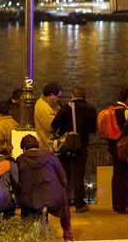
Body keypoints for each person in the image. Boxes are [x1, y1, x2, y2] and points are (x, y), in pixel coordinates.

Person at [17, 134, 73, 242]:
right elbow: (63, 177)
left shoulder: (20, 160)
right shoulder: (50, 156)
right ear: (37, 145)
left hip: (31, 199)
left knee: (26, 206)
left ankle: (25, 234)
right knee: (63, 199)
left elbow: (17, 180)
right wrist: (63, 187)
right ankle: (68, 234)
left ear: (24, 148)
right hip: (52, 197)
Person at [51, 85, 97, 213]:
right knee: (79, 175)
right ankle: (79, 204)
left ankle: (63, 202)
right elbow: (93, 129)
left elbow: (54, 124)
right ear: (84, 96)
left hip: (66, 147)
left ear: (72, 95)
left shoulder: (66, 108)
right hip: (81, 146)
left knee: (64, 175)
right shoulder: (91, 109)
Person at [107, 86, 128, 214]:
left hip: (112, 146)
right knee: (124, 175)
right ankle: (123, 205)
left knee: (116, 175)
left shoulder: (112, 109)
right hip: (123, 147)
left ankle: (116, 204)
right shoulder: (126, 112)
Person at [34, 82, 63, 149]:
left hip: (51, 143)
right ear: (52, 95)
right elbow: (51, 127)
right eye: (58, 96)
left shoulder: (51, 103)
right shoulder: (43, 107)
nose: (58, 99)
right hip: (47, 144)